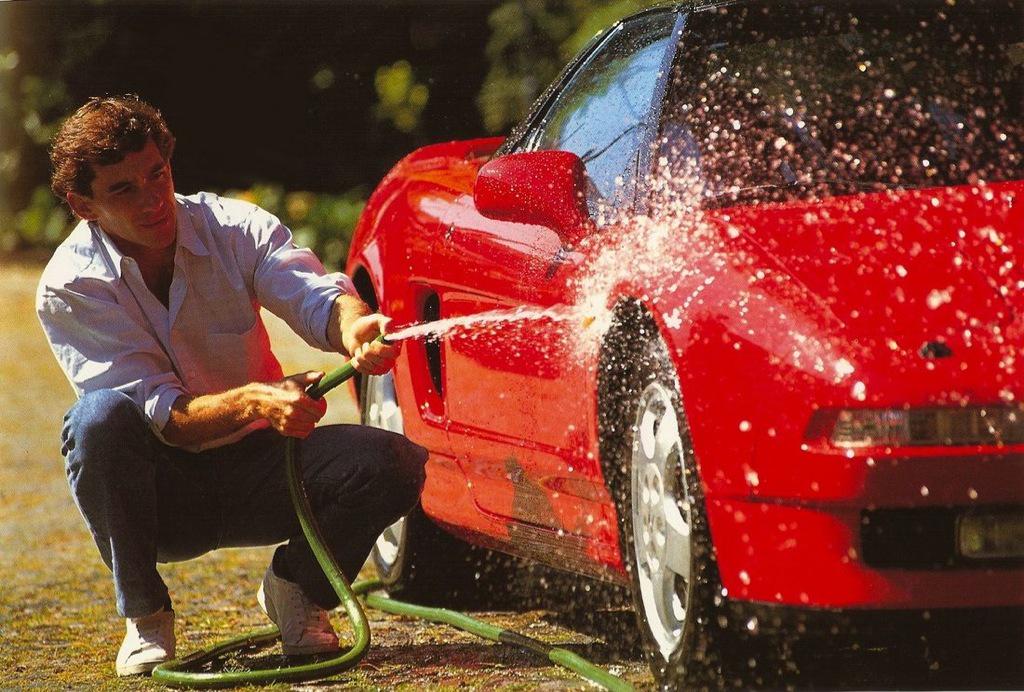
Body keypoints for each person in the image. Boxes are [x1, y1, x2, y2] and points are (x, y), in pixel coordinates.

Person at [36, 94, 428, 677]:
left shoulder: (234, 226)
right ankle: (145, 615)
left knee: (393, 461)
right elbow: (157, 412)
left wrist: (353, 324)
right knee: (96, 422)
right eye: (123, 190)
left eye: (158, 175)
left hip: (265, 469)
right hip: (162, 493)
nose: (153, 200)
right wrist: (255, 400)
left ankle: (298, 589)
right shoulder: (71, 285)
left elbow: (312, 295)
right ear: (82, 205)